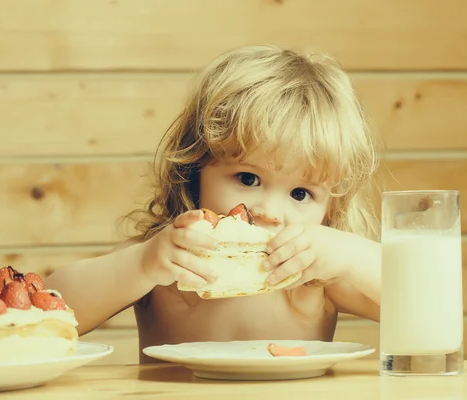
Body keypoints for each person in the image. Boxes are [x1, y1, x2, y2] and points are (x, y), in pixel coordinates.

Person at [46, 44, 382, 363]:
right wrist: (141, 265)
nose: (269, 212)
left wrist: (352, 256)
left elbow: (430, 308)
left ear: (329, 208)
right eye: (248, 179)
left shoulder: (315, 282)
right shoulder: (165, 264)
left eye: (300, 194)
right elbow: (49, 312)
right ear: (195, 171)